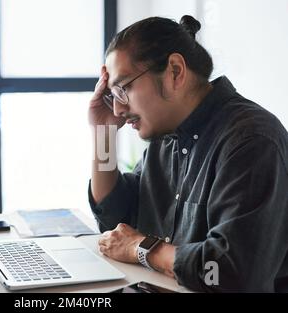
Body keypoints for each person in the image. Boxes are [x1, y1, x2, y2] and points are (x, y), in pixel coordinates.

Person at [88, 15, 288, 292]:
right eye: (113, 96)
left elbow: (230, 274)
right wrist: (104, 135)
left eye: (123, 89)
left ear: (175, 71)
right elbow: (115, 221)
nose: (118, 110)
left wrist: (141, 248)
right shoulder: (167, 136)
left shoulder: (251, 141)